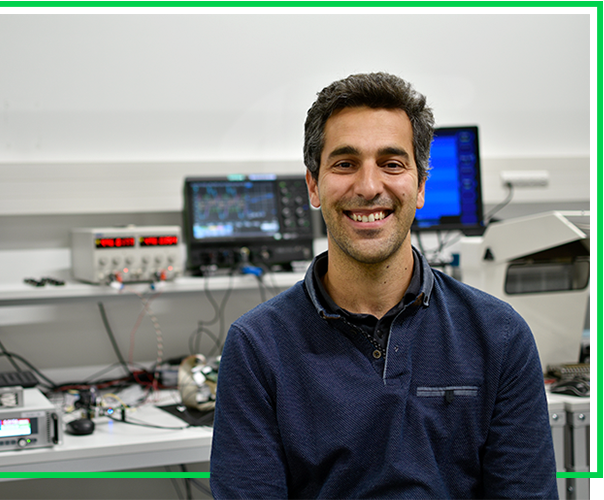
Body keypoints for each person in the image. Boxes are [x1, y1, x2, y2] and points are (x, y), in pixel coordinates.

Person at [209, 72, 558, 499]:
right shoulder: (257, 346)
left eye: (392, 164)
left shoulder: (499, 335)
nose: (369, 186)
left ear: (421, 185)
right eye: (344, 164)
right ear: (314, 185)